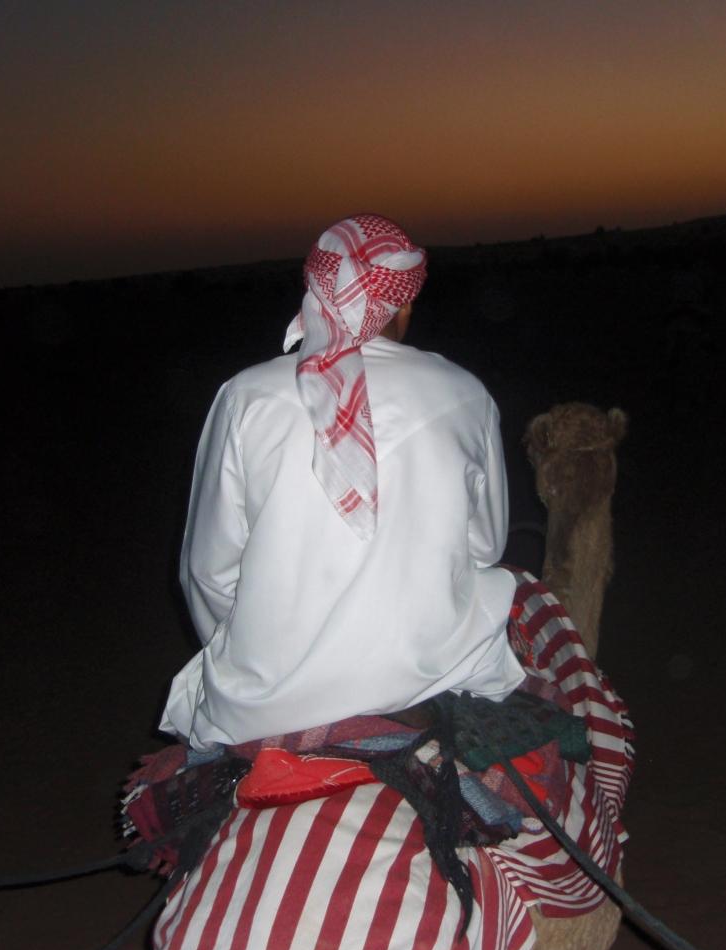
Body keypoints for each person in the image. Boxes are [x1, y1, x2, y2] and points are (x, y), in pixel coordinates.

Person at [160, 214, 526, 749]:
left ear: (314, 293)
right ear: (405, 304)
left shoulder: (246, 396)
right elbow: (486, 547)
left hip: (267, 702)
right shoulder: (466, 393)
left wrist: (253, 649)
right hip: (430, 673)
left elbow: (208, 573)